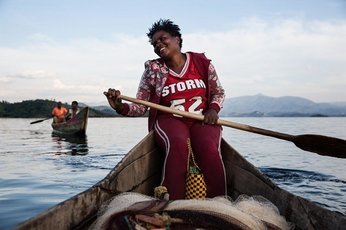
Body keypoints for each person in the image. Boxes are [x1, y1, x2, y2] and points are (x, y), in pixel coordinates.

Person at [104, 19, 226, 200]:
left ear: (177, 39)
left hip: (202, 119)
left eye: (163, 39)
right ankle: (172, 204)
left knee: (208, 148)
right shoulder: (153, 70)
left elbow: (218, 92)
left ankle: (220, 204)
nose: (158, 44)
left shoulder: (201, 63)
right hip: (170, 120)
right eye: (154, 43)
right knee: (178, 143)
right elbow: (141, 106)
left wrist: (213, 110)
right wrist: (120, 107)